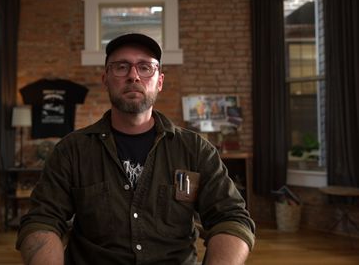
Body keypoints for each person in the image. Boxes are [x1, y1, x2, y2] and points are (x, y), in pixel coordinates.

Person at [16, 33, 255, 265]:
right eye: (121, 67)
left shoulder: (195, 150)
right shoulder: (72, 151)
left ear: (159, 81)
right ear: (105, 79)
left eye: (145, 67)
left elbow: (232, 217)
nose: (133, 76)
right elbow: (42, 220)